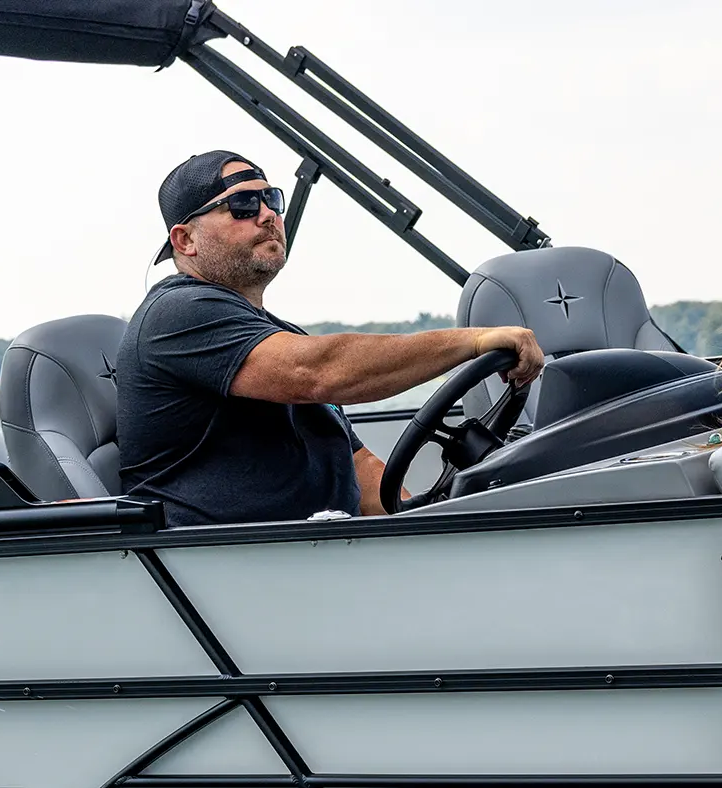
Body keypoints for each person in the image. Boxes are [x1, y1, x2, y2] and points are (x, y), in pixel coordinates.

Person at [116, 152, 545, 526]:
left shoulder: (274, 332)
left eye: (272, 200)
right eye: (242, 205)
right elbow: (318, 372)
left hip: (313, 553)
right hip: (216, 566)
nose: (268, 215)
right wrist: (475, 342)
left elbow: (356, 465)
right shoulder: (177, 313)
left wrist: (423, 526)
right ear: (185, 240)